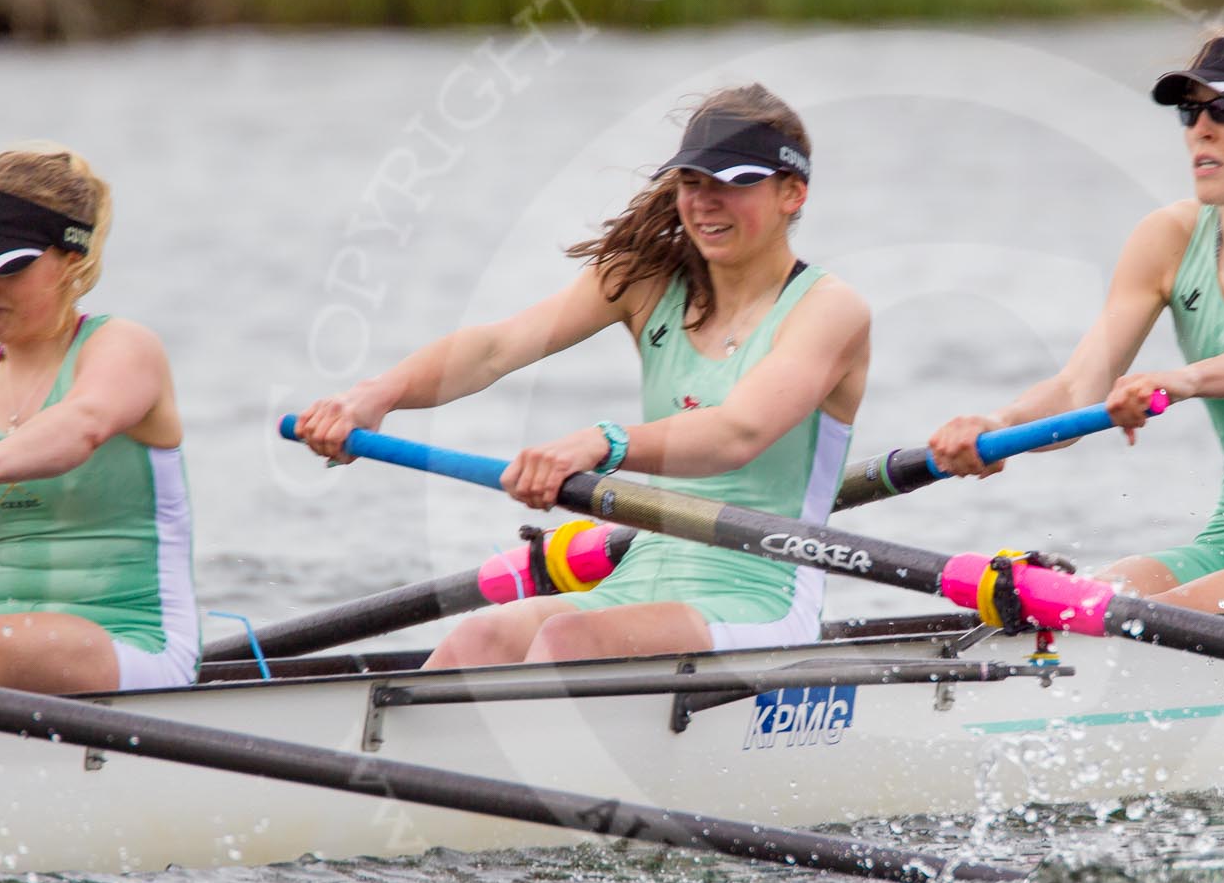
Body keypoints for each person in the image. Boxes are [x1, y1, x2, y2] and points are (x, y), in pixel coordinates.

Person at [296, 84, 869, 667]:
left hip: (760, 600)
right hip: (643, 578)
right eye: (693, 182)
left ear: (792, 193)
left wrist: (605, 442)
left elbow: (739, 433)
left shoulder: (829, 310)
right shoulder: (645, 282)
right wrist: (374, 396)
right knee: (481, 638)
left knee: (566, 642)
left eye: (734, 183)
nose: (705, 202)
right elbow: (495, 348)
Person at [929, 28, 1224, 614]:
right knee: (1076, 603)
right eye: (1191, 110)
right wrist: (996, 426)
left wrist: (1180, 381)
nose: (1202, 129)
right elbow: (1078, 390)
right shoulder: (1169, 239)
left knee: (1148, 621)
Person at [0, 144, 199, 693]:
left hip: (133, 648)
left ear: (71, 261)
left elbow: (82, 425)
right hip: (12, 643)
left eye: (8, 266)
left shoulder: (123, 348)